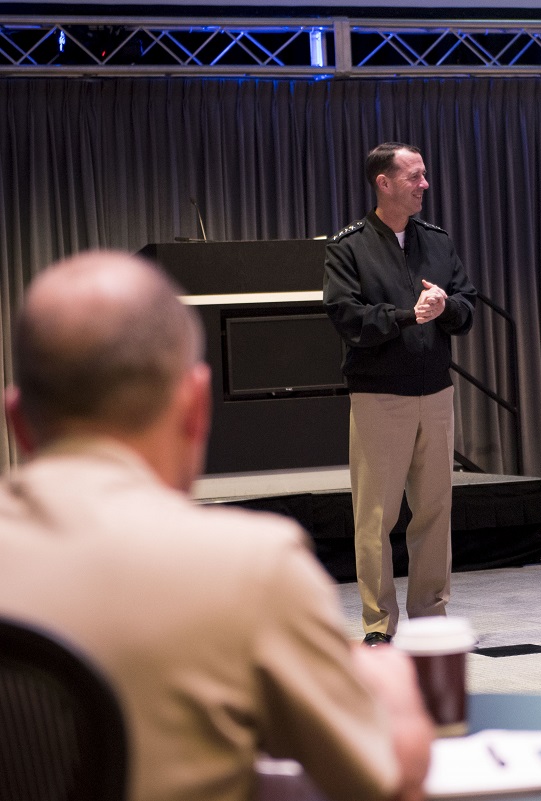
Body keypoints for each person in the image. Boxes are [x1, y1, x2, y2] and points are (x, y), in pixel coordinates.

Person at [0, 251, 434, 801]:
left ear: (16, 420)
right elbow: (387, 778)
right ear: (196, 405)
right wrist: (394, 692)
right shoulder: (254, 567)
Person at [324, 142, 477, 644]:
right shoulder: (347, 247)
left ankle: (431, 618)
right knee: (377, 516)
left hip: (434, 392)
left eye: (425, 175)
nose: (424, 185)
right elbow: (347, 317)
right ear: (383, 183)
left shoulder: (437, 240)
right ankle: (378, 624)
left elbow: (467, 306)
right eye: (414, 176)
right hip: (378, 397)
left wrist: (445, 306)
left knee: (434, 511)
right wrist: (410, 313)